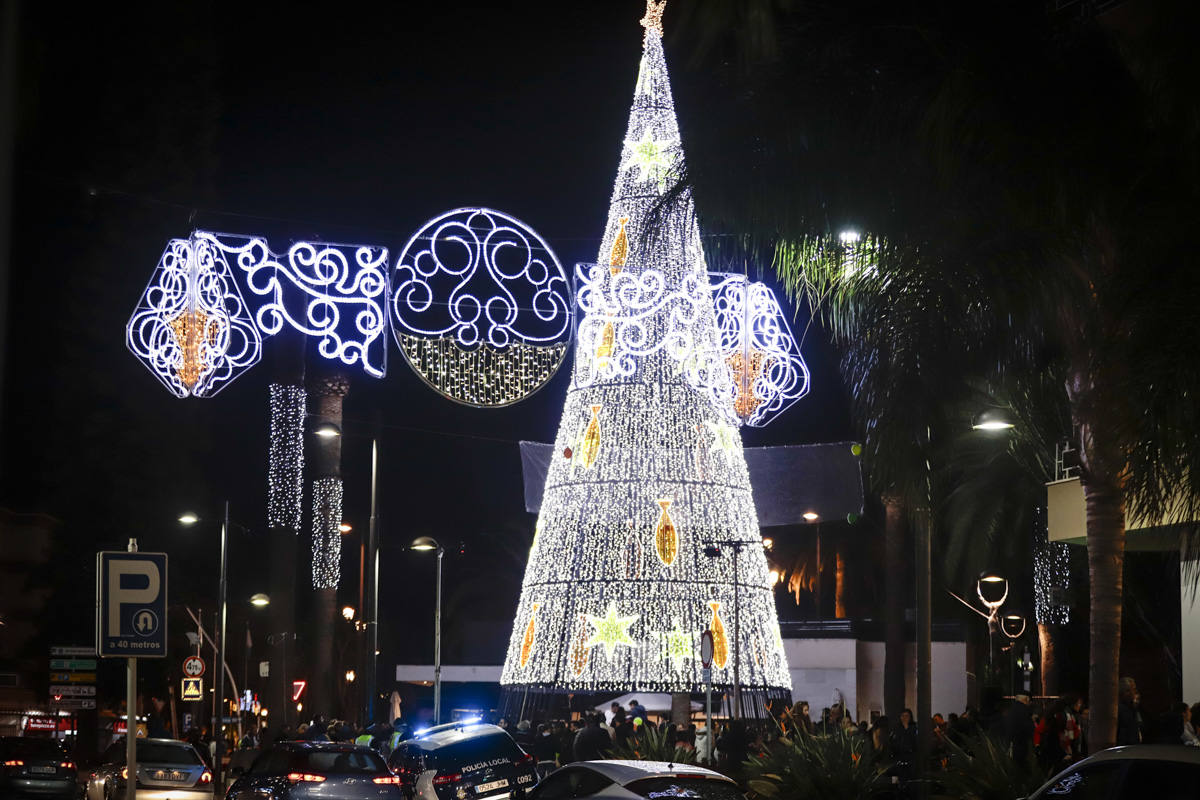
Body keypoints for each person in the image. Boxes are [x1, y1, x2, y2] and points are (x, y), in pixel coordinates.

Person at [1116, 677, 1141, 745]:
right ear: (1126, 692)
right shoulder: (1119, 709)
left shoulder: (1132, 707)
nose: (1135, 692)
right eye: (1133, 689)